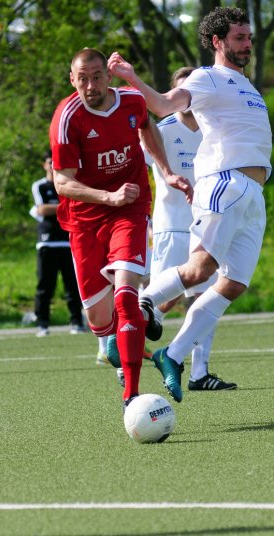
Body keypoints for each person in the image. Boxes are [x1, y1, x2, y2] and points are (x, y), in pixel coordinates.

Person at [108, 6, 271, 403]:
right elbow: (164, 105)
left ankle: (173, 355)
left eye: (248, 37)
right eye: (239, 38)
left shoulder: (247, 85)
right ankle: (143, 303)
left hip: (254, 195)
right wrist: (131, 79)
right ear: (217, 42)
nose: (247, 44)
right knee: (200, 269)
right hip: (225, 183)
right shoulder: (206, 77)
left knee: (232, 284)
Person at [49, 48, 192, 410]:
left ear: (108, 76)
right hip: (85, 220)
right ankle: (152, 355)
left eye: (97, 75)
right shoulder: (66, 118)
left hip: (130, 209)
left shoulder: (130, 101)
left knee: (126, 295)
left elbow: (148, 127)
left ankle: (132, 394)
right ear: (71, 78)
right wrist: (107, 196)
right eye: (82, 77)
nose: (90, 84)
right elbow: (62, 183)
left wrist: (166, 171)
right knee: (99, 320)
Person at [147, 66, 236, 392]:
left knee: (205, 297)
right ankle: (126, 350)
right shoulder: (162, 129)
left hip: (207, 228)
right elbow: (135, 170)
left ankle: (199, 372)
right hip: (171, 228)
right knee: (161, 303)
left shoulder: (215, 130)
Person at [30, 149, 87, 338]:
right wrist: (66, 206)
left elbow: (78, 205)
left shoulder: (69, 184)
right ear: (44, 165)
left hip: (68, 242)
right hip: (47, 242)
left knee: (73, 285)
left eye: (55, 162)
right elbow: (42, 209)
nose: (52, 165)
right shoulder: (39, 186)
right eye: (49, 162)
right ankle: (42, 324)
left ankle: (77, 322)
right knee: (45, 286)